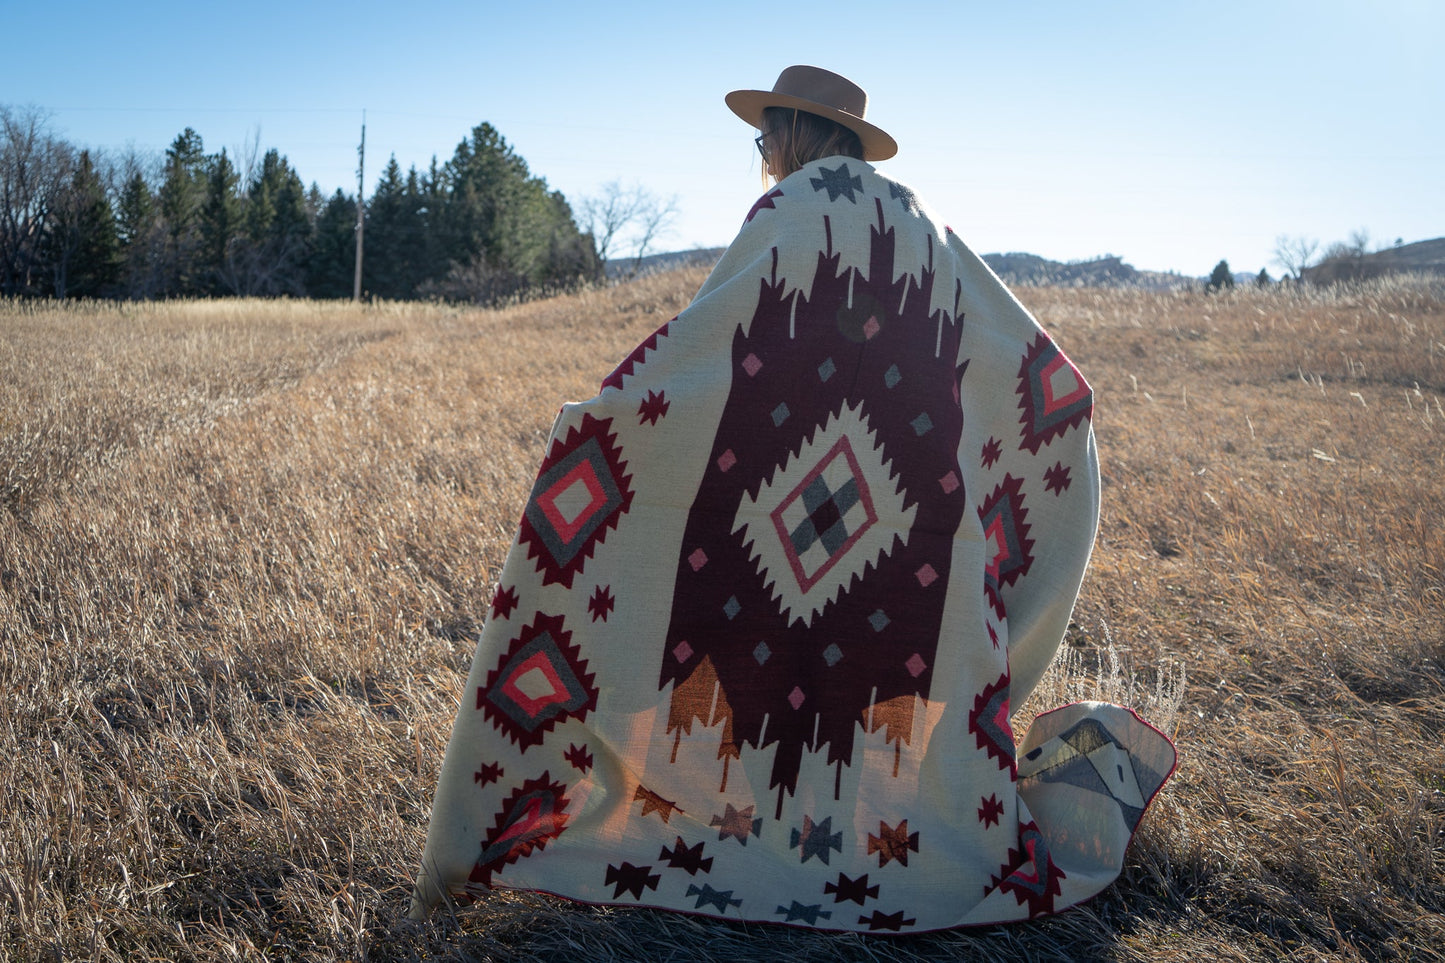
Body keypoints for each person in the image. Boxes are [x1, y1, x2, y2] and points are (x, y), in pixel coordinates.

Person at [412, 65, 1176, 932]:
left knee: (730, 671)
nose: (761, 154)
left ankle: (716, 824)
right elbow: (1048, 381)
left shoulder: (787, 212)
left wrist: (610, 424)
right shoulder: (921, 220)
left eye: (763, 137)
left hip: (756, 522)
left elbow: (708, 348)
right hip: (909, 536)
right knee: (877, 680)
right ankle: (866, 830)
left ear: (788, 133)